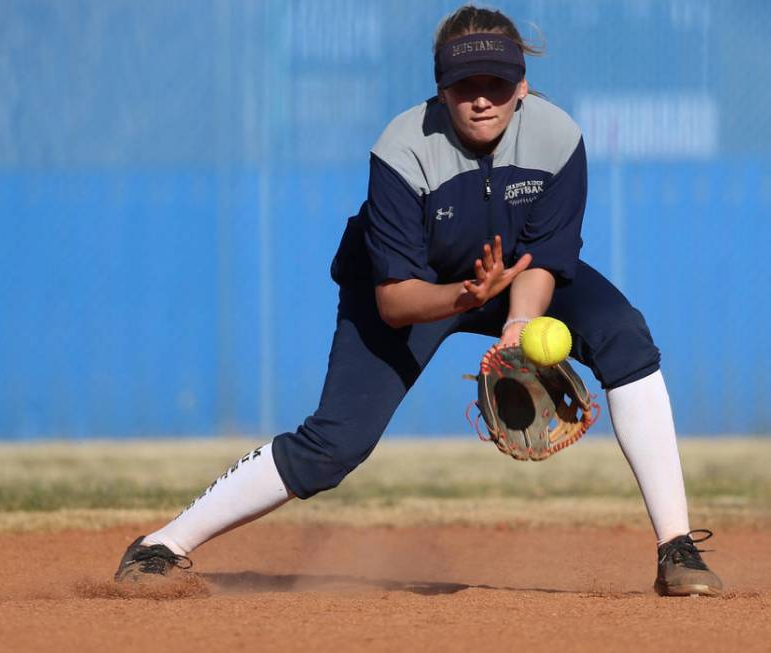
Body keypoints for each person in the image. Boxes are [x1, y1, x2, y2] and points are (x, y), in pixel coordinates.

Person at [114, 5, 723, 597]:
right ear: (440, 89)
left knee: (625, 337)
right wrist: (465, 295)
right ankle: (162, 545)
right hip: (414, 286)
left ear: (523, 86)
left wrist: (517, 324)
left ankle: (676, 548)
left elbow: (543, 256)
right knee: (335, 446)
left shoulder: (558, 137)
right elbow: (394, 303)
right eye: (465, 85)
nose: (481, 97)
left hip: (514, 275)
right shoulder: (402, 149)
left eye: (497, 82)